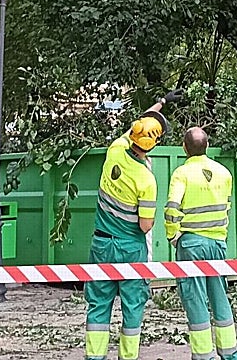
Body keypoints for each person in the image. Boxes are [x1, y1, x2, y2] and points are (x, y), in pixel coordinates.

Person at [84, 89, 183, 360]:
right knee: (132, 305)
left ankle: (94, 356)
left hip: (102, 244)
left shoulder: (115, 150)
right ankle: (127, 356)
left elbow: (139, 124)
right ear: (155, 145)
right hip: (130, 248)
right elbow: (145, 226)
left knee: (98, 303)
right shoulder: (146, 180)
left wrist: (161, 102)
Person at [164, 127, 237, 360]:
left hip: (191, 244)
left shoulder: (181, 174)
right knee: (219, 295)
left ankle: (204, 355)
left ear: (184, 148)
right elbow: (226, 207)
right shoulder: (224, 173)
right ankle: (230, 353)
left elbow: (171, 209)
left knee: (195, 298)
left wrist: (173, 236)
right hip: (217, 242)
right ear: (207, 146)